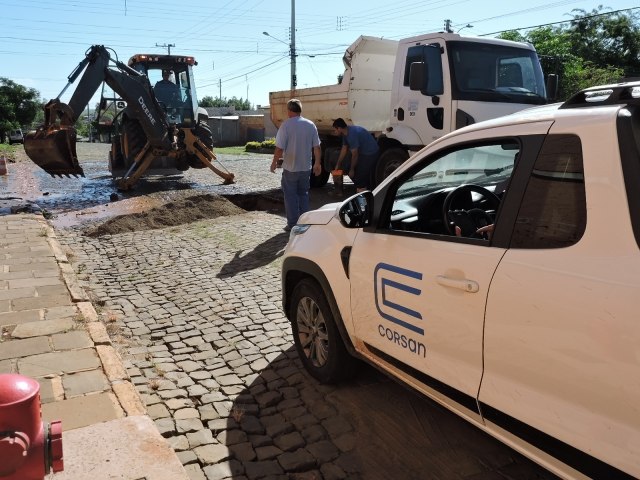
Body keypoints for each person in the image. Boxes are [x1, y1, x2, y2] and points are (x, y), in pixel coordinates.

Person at [270, 99, 322, 232]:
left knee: (290, 196)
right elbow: (317, 147)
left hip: (291, 168)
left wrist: (274, 162)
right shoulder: (310, 125)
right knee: (303, 194)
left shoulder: (286, 125)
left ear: (289, 110)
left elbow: (279, 148)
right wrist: (317, 163)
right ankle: (304, 222)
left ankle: (293, 224)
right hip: (306, 168)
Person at [332, 118, 380, 192]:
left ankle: (362, 193)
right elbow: (344, 149)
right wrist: (338, 164)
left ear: (339, 128)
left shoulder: (351, 135)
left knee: (359, 175)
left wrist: (352, 169)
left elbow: (355, 154)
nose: (334, 132)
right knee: (352, 169)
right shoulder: (346, 133)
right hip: (364, 152)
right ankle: (365, 188)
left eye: (335, 130)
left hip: (370, 153)